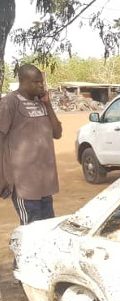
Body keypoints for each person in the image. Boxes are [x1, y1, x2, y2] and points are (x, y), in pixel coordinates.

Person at [0, 64, 63, 225]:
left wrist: (48, 104)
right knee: (30, 230)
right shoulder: (9, 103)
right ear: (23, 81)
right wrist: (3, 177)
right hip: (24, 184)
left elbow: (57, 133)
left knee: (47, 227)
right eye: (36, 82)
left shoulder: (42, 102)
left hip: (45, 183)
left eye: (41, 82)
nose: (41, 85)